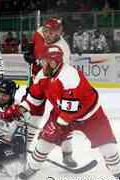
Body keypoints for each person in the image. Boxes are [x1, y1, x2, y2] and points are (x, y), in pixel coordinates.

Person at [0, 45, 120, 180]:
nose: (41, 64)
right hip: (61, 113)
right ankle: (33, 168)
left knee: (108, 146)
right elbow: (33, 100)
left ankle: (118, 171)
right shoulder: (42, 76)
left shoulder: (70, 77)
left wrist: (58, 125)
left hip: (91, 116)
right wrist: (16, 110)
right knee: (43, 143)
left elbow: (70, 112)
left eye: (44, 61)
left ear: (53, 63)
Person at [22, 17, 77, 167]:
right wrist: (30, 50)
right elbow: (36, 40)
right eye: (46, 31)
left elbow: (54, 73)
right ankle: (24, 150)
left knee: (63, 120)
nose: (47, 35)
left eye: (52, 33)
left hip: (54, 86)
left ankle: (67, 154)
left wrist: (37, 62)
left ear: (60, 33)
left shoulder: (63, 50)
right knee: (33, 116)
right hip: (38, 81)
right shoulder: (40, 32)